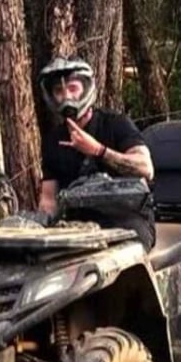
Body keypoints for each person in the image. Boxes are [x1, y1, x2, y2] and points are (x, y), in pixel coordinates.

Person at [35, 56, 155, 249]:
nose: (66, 96)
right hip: (77, 226)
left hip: (126, 220)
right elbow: (48, 198)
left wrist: (98, 150)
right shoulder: (53, 139)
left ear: (86, 89)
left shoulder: (116, 123)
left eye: (73, 88)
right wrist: (40, 227)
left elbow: (146, 168)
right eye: (59, 91)